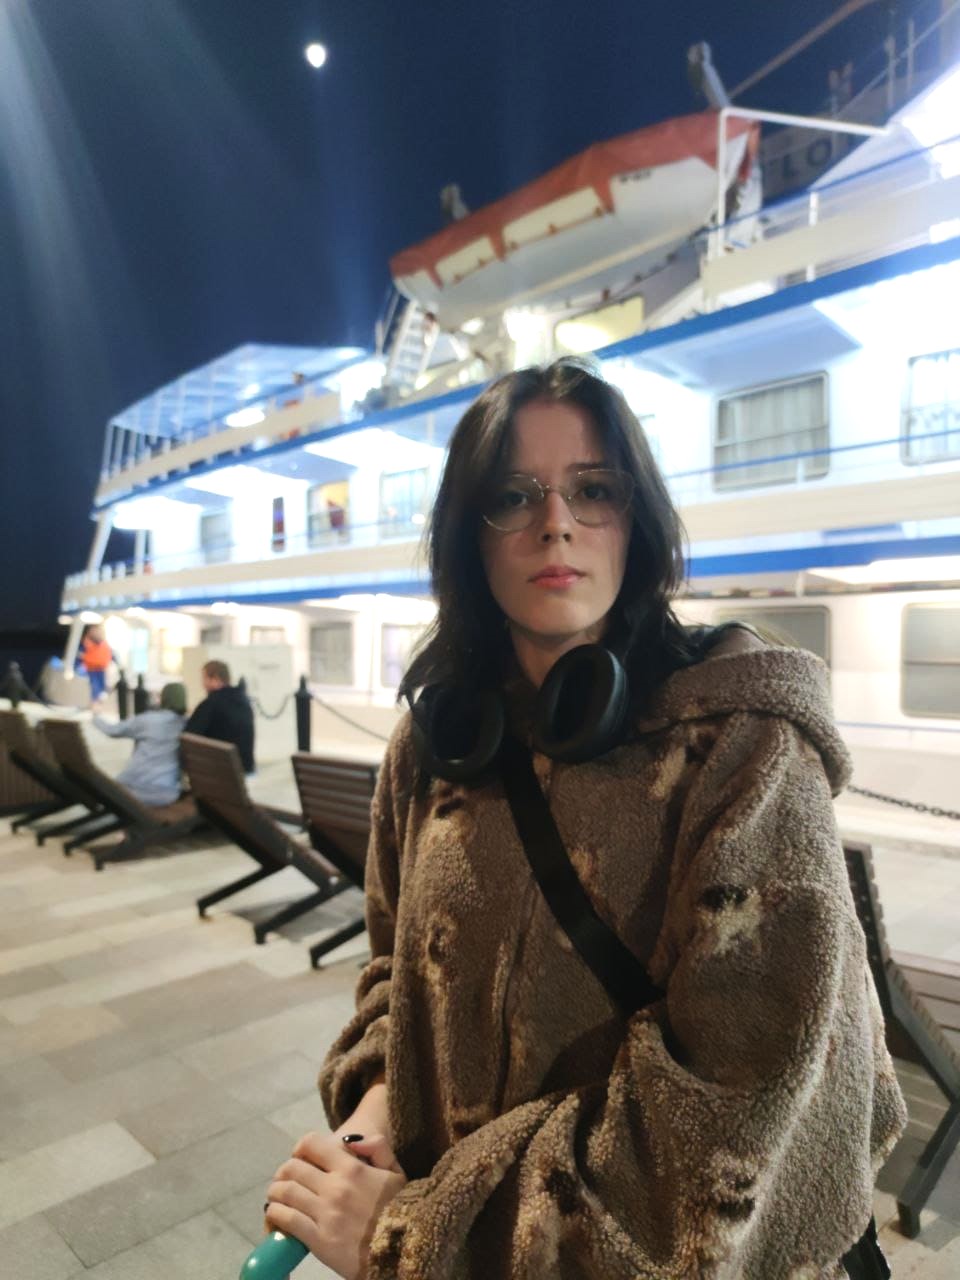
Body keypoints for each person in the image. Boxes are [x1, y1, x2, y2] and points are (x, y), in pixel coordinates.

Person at [263, 359, 906, 1279]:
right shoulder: (435, 745)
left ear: (635, 522)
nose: (555, 522)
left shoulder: (743, 745)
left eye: (593, 489)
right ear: (469, 536)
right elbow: (392, 975)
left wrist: (410, 1239)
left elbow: (733, 1117)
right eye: (512, 496)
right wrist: (375, 1103)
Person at [93, 682, 186, 807]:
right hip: (166, 794)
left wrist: (95, 716)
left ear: (164, 698)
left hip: (131, 788)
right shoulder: (186, 725)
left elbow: (112, 731)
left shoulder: (147, 720)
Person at [184, 659, 255, 774]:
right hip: (246, 768)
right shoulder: (243, 701)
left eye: (204, 678)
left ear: (215, 678)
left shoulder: (211, 704)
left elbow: (189, 736)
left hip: (220, 771)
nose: (202, 684)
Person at [79, 624, 112, 707]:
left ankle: (98, 704)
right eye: (95, 631)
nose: (98, 633)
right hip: (91, 669)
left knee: (102, 688)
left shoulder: (105, 644)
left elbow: (111, 656)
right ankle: (94, 704)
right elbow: (80, 655)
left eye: (99, 631)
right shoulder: (86, 644)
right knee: (95, 686)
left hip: (102, 669)